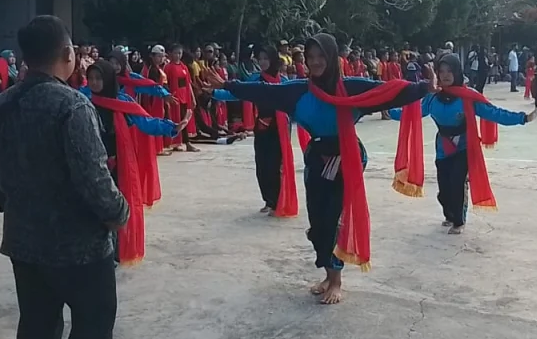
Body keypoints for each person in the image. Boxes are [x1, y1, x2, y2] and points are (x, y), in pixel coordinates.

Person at [208, 33, 433, 305]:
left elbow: (388, 92)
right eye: (310, 57)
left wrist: (424, 87)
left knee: (333, 219)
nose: (315, 62)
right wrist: (228, 86)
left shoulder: (351, 88)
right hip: (317, 157)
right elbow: (264, 91)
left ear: (332, 58)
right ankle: (328, 274)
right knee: (317, 223)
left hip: (347, 156)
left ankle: (336, 281)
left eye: (321, 56)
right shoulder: (298, 91)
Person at [0, 15, 128, 339]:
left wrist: (10, 201)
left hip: (25, 242)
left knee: (37, 328)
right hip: (80, 247)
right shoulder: (72, 106)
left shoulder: (2, 103)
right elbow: (94, 177)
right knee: (93, 324)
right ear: (68, 54)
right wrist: (118, 213)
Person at [400, 54, 535, 234]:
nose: (445, 75)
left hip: (464, 147)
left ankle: (459, 221)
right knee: (444, 190)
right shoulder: (432, 98)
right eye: (442, 71)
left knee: (457, 183)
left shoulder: (468, 97)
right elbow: (411, 113)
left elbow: (494, 113)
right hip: (442, 149)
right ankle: (450, 214)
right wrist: (384, 108)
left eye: (449, 71)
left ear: (457, 72)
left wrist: (522, 118)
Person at [85, 60, 183, 264]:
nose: (94, 82)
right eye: (91, 78)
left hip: (115, 165)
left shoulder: (122, 101)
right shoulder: (82, 99)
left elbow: (145, 122)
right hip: (89, 165)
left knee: (114, 209)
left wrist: (171, 127)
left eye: (98, 78)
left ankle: (114, 252)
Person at [213, 46, 298, 216]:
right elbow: (238, 93)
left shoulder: (283, 81)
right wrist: (215, 93)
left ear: (273, 60)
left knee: (275, 165)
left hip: (280, 128)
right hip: (262, 126)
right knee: (262, 165)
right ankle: (268, 200)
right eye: (260, 59)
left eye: (266, 58)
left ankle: (276, 202)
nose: (263, 62)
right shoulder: (256, 80)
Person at [164, 44, 199, 153]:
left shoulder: (184, 67)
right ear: (171, 54)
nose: (178, 55)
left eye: (180, 53)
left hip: (185, 96)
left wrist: (192, 97)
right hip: (175, 98)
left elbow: (188, 83)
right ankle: (184, 143)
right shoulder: (168, 67)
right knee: (178, 121)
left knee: (184, 120)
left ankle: (184, 142)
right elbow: (165, 84)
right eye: (176, 53)